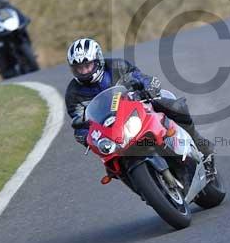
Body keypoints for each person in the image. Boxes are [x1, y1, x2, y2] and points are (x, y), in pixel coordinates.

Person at [64, 37, 215, 164]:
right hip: (110, 130)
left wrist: (147, 87)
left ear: (98, 60)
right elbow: (80, 122)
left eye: (87, 65)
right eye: (79, 68)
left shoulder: (117, 66)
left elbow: (139, 77)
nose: (84, 71)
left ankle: (199, 144)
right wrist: (85, 136)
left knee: (175, 106)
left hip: (135, 106)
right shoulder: (73, 93)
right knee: (111, 163)